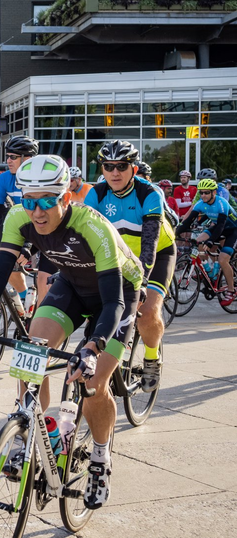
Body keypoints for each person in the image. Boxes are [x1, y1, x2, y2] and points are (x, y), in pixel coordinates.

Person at [0, 154, 144, 512]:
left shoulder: (92, 226)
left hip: (118, 294)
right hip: (71, 285)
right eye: (30, 201)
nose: (38, 211)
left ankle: (101, 460)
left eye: (48, 201)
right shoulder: (18, 217)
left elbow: (113, 303)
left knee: (93, 384)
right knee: (30, 351)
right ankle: (35, 432)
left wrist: (92, 347)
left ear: (67, 197)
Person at [84, 140, 176, 393]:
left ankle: (151, 356)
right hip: (120, 257)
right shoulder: (96, 194)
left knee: (146, 311)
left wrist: (142, 281)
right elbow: (85, 237)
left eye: (122, 166)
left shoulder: (149, 193)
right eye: (109, 166)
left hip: (157, 254)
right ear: (102, 169)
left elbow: (150, 242)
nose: (115, 172)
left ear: (133, 168)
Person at [0, 135, 40, 306]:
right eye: (7, 156)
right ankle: (22, 302)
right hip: (21, 226)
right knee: (5, 263)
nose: (8, 161)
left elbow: (45, 219)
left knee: (45, 279)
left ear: (28, 159)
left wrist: (30, 248)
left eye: (13, 157)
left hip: (43, 228)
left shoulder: (39, 179)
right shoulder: (5, 178)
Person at [176, 178, 237, 305]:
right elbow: (187, 222)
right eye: (201, 192)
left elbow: (220, 226)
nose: (203, 195)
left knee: (222, 259)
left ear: (213, 193)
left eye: (206, 193)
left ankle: (231, 290)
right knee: (197, 241)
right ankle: (209, 272)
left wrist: (210, 242)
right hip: (218, 228)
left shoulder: (221, 203)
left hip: (232, 230)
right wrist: (174, 234)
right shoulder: (200, 203)